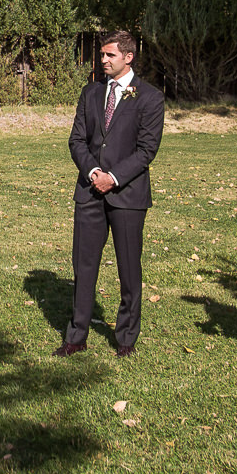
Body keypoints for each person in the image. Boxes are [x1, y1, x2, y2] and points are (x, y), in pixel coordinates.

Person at [59, 31, 166, 359]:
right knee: (84, 266)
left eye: (109, 55)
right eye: (102, 55)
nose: (102, 60)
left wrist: (114, 178)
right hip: (89, 193)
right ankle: (76, 336)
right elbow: (77, 140)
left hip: (128, 195)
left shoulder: (150, 97)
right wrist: (93, 173)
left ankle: (126, 339)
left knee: (129, 268)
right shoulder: (90, 93)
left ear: (128, 57)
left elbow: (147, 150)